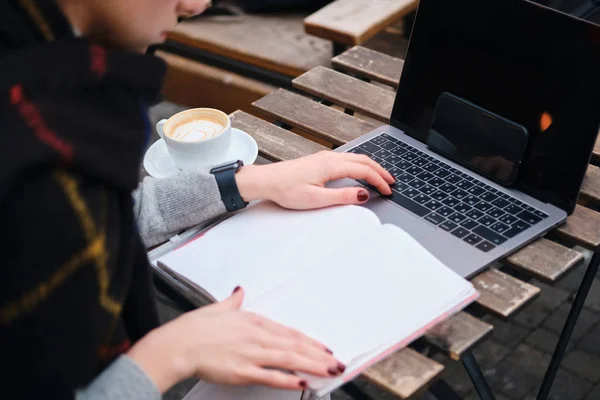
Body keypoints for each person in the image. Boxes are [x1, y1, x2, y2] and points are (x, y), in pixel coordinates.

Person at [0, 1, 394, 399]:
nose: (196, 5)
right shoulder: (35, 145)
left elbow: (125, 211)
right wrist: (170, 354)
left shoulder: (43, 81)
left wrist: (249, 181)